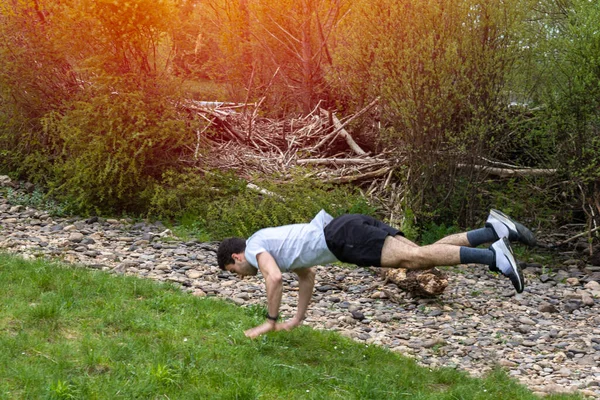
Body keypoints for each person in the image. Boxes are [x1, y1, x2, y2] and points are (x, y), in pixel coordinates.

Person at [217, 209, 536, 339]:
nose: (242, 275)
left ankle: (494, 258)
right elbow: (306, 277)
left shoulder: (257, 249)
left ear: (236, 256)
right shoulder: (272, 247)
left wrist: (270, 321)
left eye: (236, 271)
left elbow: (274, 279)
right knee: (421, 257)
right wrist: (297, 319)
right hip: (345, 226)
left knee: (412, 259)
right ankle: (492, 229)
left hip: (342, 238)